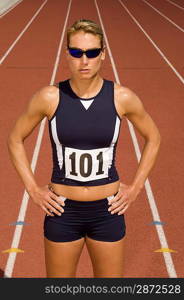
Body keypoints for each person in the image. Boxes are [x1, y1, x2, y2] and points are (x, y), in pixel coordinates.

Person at [7, 19, 161, 278]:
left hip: (107, 211)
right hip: (63, 212)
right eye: (77, 52)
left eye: (91, 52)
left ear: (103, 54)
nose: (84, 60)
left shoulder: (121, 97)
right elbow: (14, 139)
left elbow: (154, 138)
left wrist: (135, 188)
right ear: (67, 54)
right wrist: (33, 189)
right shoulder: (50, 97)